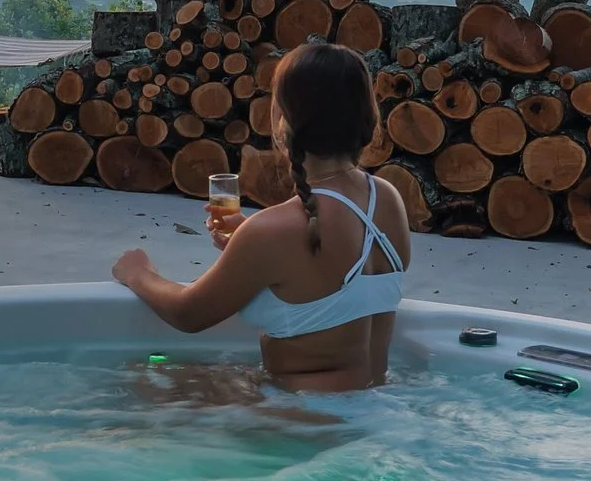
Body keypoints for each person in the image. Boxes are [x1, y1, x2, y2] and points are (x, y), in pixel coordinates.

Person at [112, 40, 412, 392]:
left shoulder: (272, 232)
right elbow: (330, 282)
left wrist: (138, 273)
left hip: (299, 411)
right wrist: (250, 246)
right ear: (367, 117)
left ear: (285, 122)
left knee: (139, 381)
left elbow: (187, 314)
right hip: (377, 398)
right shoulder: (387, 200)